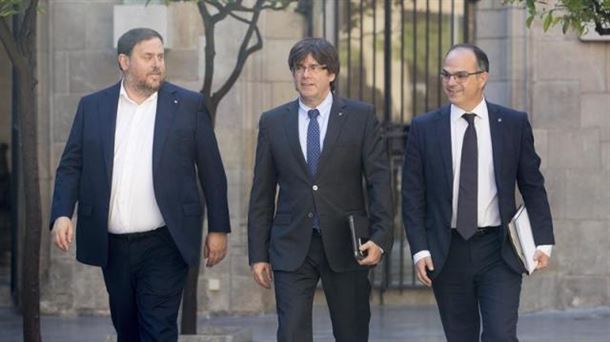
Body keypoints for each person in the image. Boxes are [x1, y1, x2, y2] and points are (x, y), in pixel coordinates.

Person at [49, 28, 231, 341]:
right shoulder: (92, 107)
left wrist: (218, 228)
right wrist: (62, 213)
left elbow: (212, 172)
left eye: (160, 57)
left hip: (166, 241)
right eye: (148, 57)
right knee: (127, 329)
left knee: (158, 328)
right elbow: (71, 166)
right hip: (113, 245)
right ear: (124, 61)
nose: (157, 64)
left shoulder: (188, 105)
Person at [402, 43, 555, 342]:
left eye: (460, 75)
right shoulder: (424, 128)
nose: (451, 82)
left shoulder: (512, 123)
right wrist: (420, 249)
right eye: (446, 75)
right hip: (448, 250)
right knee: (461, 336)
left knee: (500, 334)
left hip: (499, 249)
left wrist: (544, 240)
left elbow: (532, 185)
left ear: (482, 77)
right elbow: (412, 195)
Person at [247, 37, 393, 342]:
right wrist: (258, 253)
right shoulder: (273, 122)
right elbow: (261, 192)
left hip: (347, 243)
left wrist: (380, 237)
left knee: (351, 331)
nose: (306, 74)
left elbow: (379, 181)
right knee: (290, 333)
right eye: (299, 67)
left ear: (331, 74)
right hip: (291, 245)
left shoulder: (360, 117)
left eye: (315, 67)